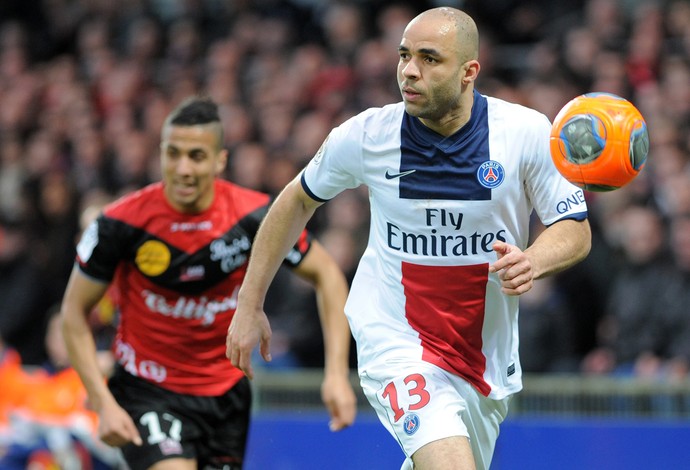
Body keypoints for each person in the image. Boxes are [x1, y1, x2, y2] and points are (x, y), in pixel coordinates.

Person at [226, 7, 591, 470]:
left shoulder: (525, 133)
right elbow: (295, 200)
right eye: (404, 56)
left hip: (482, 357)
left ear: (468, 72)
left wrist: (533, 260)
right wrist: (249, 302)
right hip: (396, 339)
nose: (409, 71)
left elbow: (574, 228)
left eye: (429, 58)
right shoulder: (367, 135)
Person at [60, 96, 356, 470]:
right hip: (147, 390)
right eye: (173, 154)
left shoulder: (255, 216)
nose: (183, 168)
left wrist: (335, 374)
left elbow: (327, 275)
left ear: (220, 160)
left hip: (226, 393)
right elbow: (73, 314)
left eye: (196, 156)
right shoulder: (120, 224)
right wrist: (102, 402)